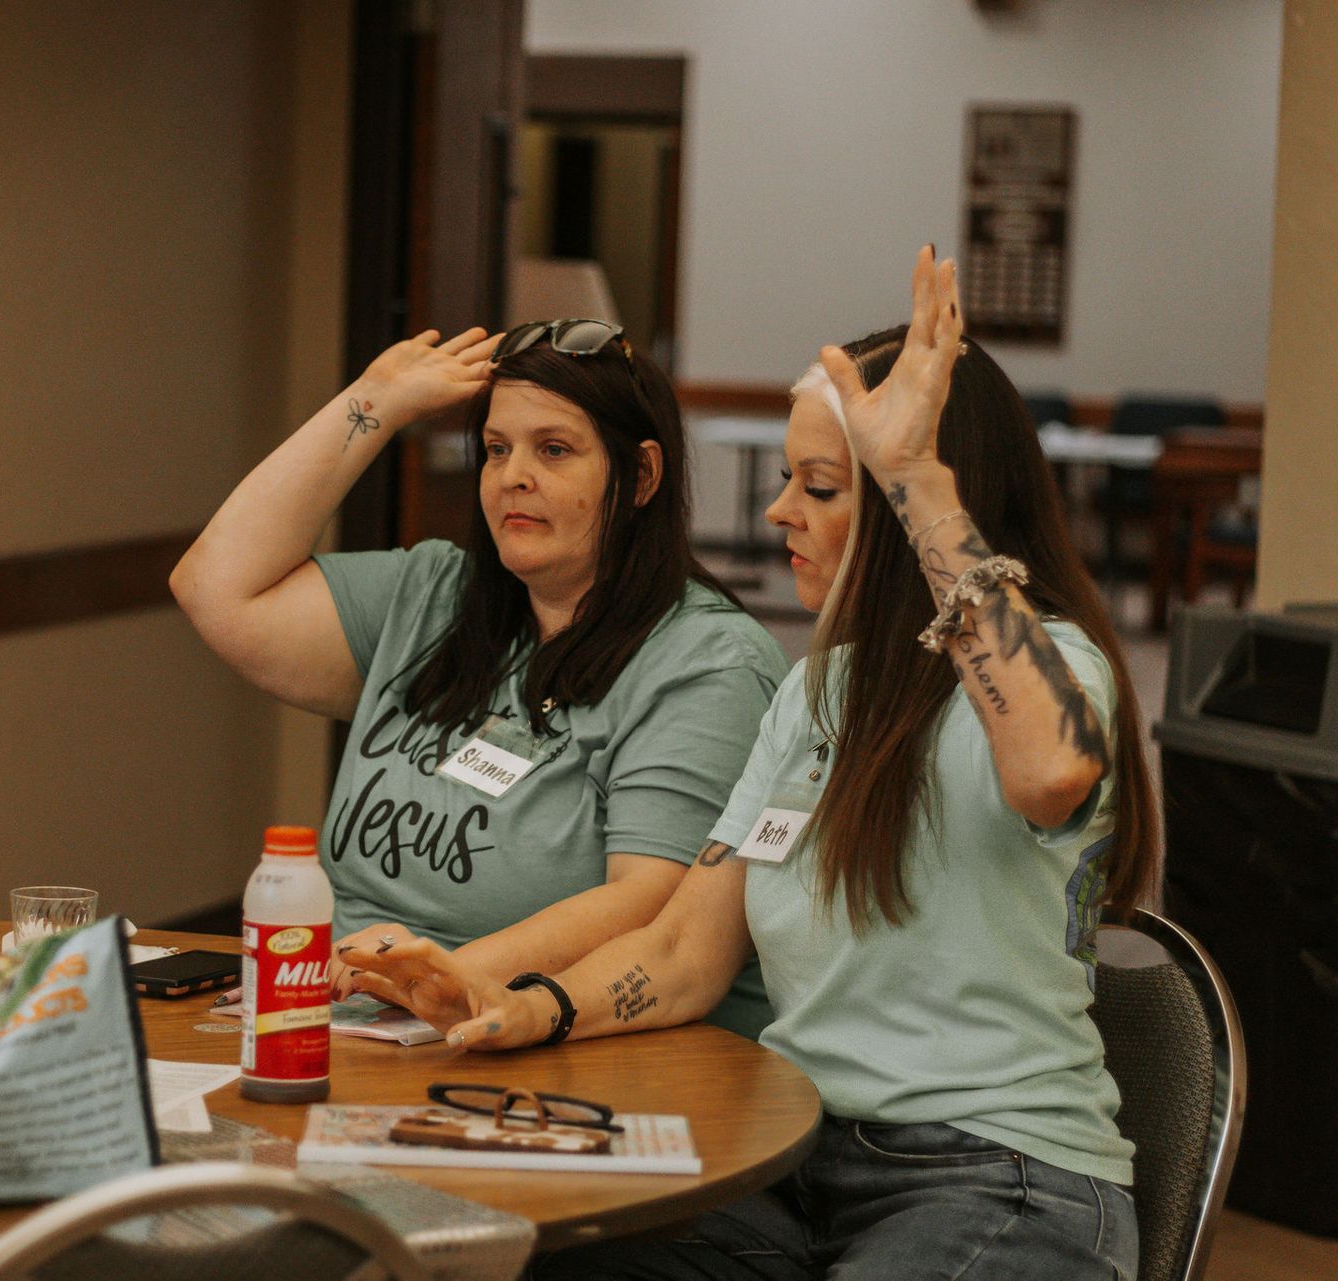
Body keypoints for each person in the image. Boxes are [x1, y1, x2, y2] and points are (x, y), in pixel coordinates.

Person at [342, 248, 1160, 1279]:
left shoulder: (1052, 667)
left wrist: (913, 477)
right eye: (788, 481)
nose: (781, 514)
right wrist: (525, 1005)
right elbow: (688, 946)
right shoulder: (819, 691)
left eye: (822, 487)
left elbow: (1049, 774)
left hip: (999, 1179)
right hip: (792, 1156)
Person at [172, 320, 786, 1036]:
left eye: (553, 449)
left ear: (642, 475)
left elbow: (652, 904)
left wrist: (431, 973)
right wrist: (375, 402)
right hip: (353, 1018)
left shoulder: (707, 660)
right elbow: (214, 588)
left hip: (552, 1036)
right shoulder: (434, 593)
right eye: (497, 450)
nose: (513, 475)